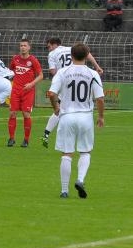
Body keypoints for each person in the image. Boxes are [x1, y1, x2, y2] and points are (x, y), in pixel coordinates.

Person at [48, 43, 104, 199]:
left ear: (71, 56)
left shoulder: (63, 72)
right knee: (85, 152)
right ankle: (80, 179)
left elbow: (52, 93)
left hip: (67, 116)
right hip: (85, 116)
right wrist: (101, 116)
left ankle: (64, 191)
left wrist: (56, 108)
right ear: (87, 56)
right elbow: (100, 98)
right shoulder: (93, 74)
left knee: (67, 153)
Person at [41, 38, 103, 148]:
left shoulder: (52, 54)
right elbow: (87, 54)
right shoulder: (70, 49)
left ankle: (46, 134)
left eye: (49, 46)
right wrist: (97, 66)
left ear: (55, 45)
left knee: (60, 108)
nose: (48, 49)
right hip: (82, 76)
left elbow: (52, 71)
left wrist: (58, 80)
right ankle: (47, 133)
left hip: (66, 80)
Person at [8, 38, 43, 147]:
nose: (22, 47)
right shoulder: (15, 59)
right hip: (15, 91)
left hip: (28, 91)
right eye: (21, 45)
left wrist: (31, 84)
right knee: (12, 113)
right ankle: (11, 138)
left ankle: (26, 140)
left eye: (24, 45)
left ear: (29, 47)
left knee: (26, 114)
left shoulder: (33, 60)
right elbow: (10, 71)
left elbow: (41, 76)